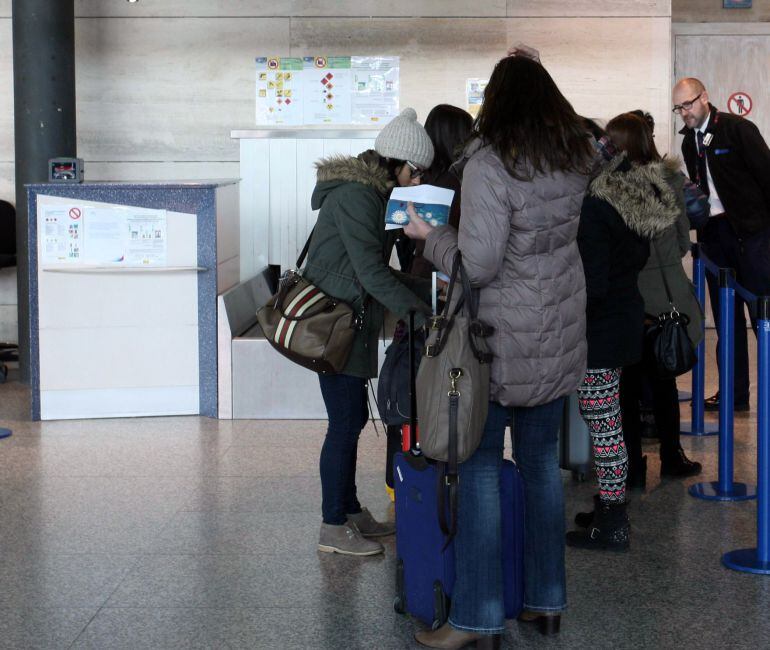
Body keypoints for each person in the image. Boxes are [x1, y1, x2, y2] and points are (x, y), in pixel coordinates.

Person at [404, 55, 595, 648]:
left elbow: (480, 264)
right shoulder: (574, 157)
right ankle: (546, 602)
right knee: (541, 469)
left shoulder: (490, 165)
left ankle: (478, 617)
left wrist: (429, 236)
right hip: (556, 334)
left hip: (495, 345)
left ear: (496, 101)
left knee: (481, 471)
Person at [305, 107, 433, 557]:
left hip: (349, 319)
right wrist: (424, 313)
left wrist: (431, 291)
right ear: (395, 163)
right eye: (415, 171)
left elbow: (379, 274)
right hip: (334, 325)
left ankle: (351, 510)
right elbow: (372, 275)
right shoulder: (359, 198)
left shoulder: (374, 196)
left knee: (353, 419)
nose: (416, 181)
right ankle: (332, 526)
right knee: (343, 424)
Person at [566, 113, 679, 552]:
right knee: (607, 421)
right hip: (622, 319)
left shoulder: (594, 208)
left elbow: (592, 284)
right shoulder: (623, 199)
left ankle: (612, 522)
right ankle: (609, 506)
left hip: (602, 328)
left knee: (605, 425)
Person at [384, 104, 473, 502]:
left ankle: (399, 479)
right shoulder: (460, 184)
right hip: (442, 297)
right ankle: (437, 470)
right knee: (438, 392)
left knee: (411, 393)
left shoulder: (416, 185)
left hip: (418, 292)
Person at [611, 112, 703, 487]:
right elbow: (684, 239)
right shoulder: (670, 180)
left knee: (627, 389)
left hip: (631, 299)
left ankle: (633, 468)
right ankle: (672, 456)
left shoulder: (611, 187)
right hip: (668, 296)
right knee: (664, 382)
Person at [673, 78, 770, 412]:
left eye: (688, 104)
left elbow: (766, 177)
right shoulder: (689, 143)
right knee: (727, 320)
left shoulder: (737, 129)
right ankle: (733, 394)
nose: (683, 112)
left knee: (762, 315)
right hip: (715, 237)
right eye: (679, 107)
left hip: (751, 235)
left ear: (704, 97)